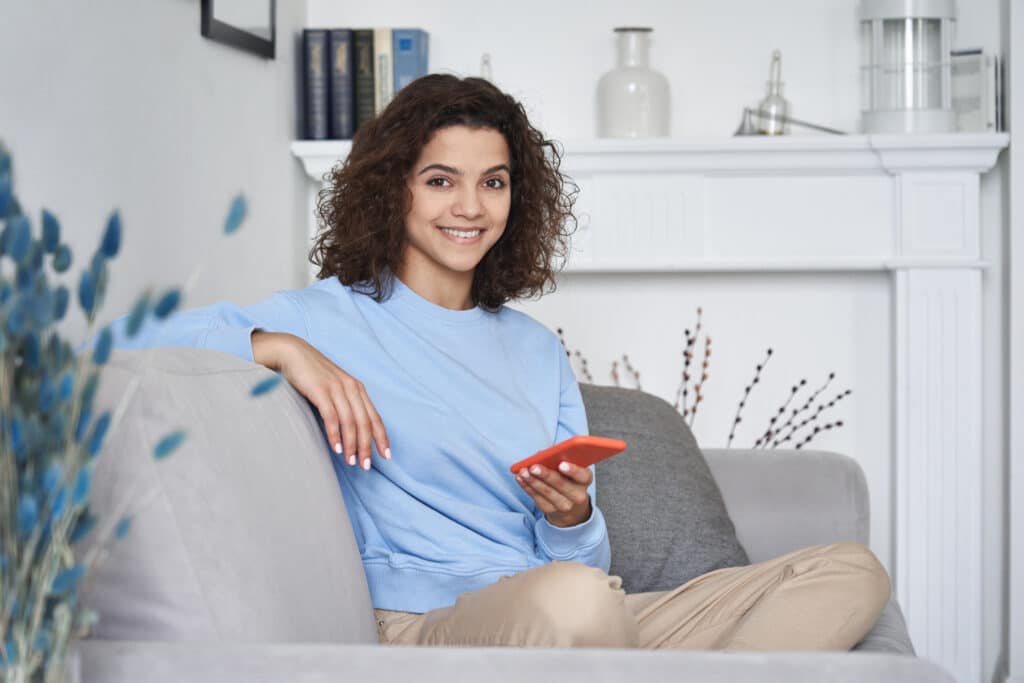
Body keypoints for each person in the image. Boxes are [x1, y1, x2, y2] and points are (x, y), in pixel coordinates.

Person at [111, 74, 890, 650]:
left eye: (494, 182)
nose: (470, 207)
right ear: (395, 192)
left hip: (576, 612)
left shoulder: (533, 347)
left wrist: (570, 515)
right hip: (431, 627)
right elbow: (109, 345)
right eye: (441, 180)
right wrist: (276, 348)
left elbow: (591, 561)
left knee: (850, 573)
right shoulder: (329, 315)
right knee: (579, 605)